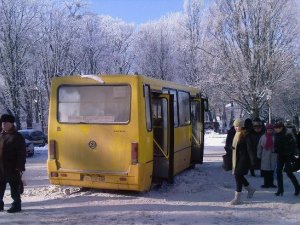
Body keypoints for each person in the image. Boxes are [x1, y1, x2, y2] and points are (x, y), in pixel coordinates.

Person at [0, 114, 26, 213]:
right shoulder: (1, 135)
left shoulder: (17, 137)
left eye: (6, 123)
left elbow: (22, 153)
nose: (4, 125)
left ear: (11, 124)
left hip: (13, 168)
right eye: (2, 123)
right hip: (1, 168)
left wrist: (20, 167)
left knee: (15, 189)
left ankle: (16, 205)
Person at [229, 119, 256, 205]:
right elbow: (236, 146)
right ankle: (250, 189)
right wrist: (231, 148)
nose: (236, 128)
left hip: (244, 159)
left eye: (238, 126)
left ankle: (237, 198)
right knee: (239, 176)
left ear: (242, 126)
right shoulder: (236, 134)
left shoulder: (245, 134)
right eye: (235, 126)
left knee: (237, 176)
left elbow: (249, 148)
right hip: (238, 158)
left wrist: (253, 160)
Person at [274, 120, 300, 196]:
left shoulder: (288, 134)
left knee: (289, 173)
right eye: (275, 128)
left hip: (288, 156)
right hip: (280, 155)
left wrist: (287, 151)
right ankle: (280, 190)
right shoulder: (277, 134)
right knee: (278, 172)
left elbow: (292, 146)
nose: (275, 129)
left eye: (277, 128)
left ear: (281, 127)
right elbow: (276, 143)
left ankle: (297, 188)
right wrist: (276, 148)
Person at [257, 124, 277, 188]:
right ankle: (266, 183)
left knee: (271, 171)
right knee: (266, 171)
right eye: (268, 130)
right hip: (265, 155)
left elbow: (278, 145)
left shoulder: (275, 137)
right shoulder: (263, 137)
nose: (269, 131)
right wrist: (259, 155)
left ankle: (271, 183)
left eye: (271, 130)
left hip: (273, 156)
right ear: (266, 130)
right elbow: (259, 146)